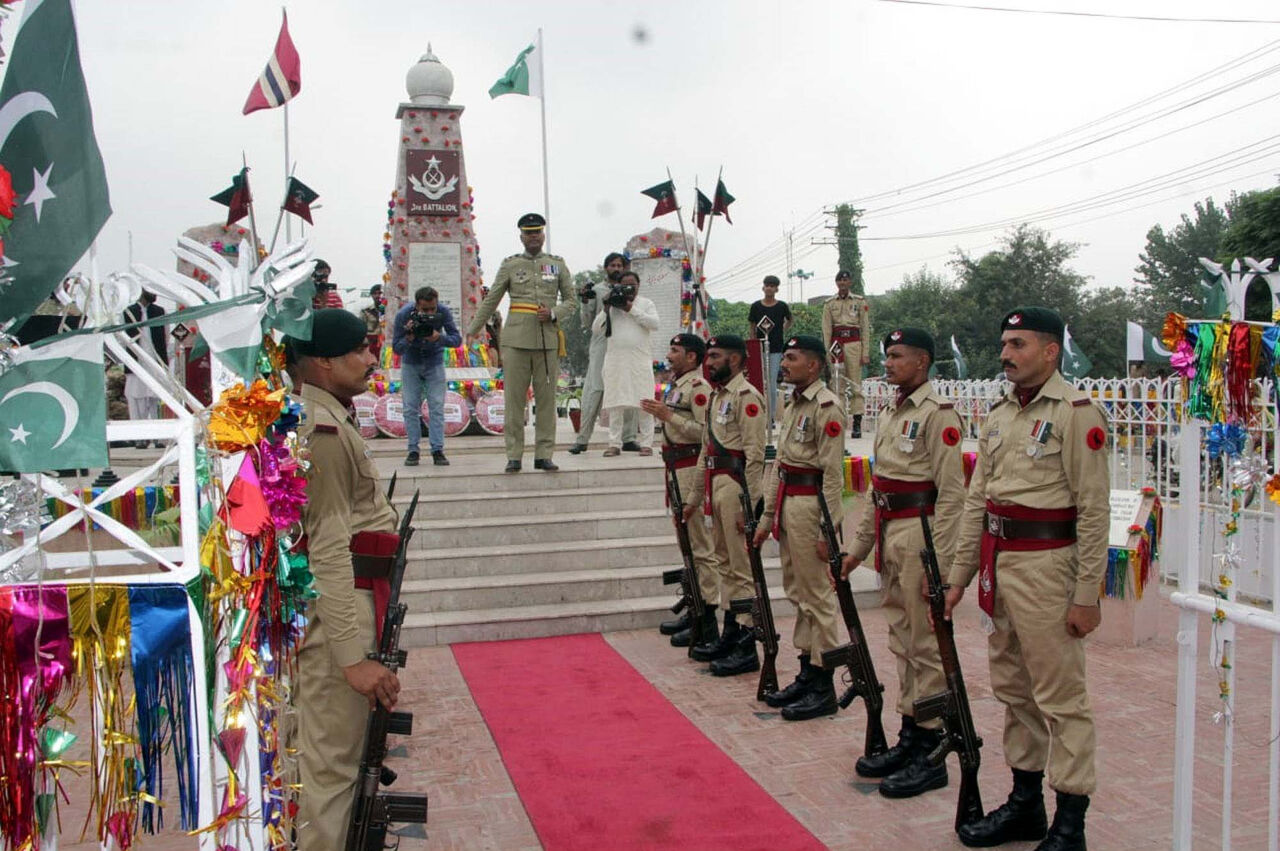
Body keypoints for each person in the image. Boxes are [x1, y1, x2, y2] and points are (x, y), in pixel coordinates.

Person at [944, 307, 1108, 851]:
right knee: (1015, 691)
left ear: (1050, 351)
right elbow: (977, 501)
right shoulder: (999, 414)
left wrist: (1087, 595)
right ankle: (1025, 804)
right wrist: (960, 575)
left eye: (1017, 344)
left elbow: (1093, 510)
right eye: (1003, 343)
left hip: (1048, 568)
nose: (1005, 354)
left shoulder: (1076, 413)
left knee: (1062, 699)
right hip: (1001, 564)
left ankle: (1070, 823)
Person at [289, 309, 402, 851]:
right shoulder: (325, 429)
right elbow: (329, 547)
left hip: (359, 594)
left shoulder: (329, 415)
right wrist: (352, 658)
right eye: (359, 350)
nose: (370, 359)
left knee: (335, 760)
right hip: (343, 601)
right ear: (320, 361)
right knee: (332, 769)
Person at [841, 327, 966, 795]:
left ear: (922, 362)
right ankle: (911, 731)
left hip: (921, 534)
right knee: (901, 637)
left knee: (925, 644)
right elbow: (880, 488)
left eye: (897, 356)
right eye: (887, 356)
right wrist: (859, 548)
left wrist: (946, 565)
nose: (888, 363)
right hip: (892, 532)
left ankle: (932, 746)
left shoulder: (939, 415)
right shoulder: (893, 412)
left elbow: (954, 494)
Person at [752, 335, 845, 721]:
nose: (784, 364)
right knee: (797, 592)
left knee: (817, 597)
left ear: (815, 366)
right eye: (784, 357)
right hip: (790, 502)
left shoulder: (828, 407)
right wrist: (766, 516)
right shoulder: (792, 404)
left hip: (810, 508)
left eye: (791, 358)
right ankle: (807, 671)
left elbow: (834, 476)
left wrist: (828, 529)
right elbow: (781, 466)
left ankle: (823, 682)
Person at [466, 213, 575, 472]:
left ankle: (544, 454)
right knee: (514, 401)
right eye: (528, 233)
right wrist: (473, 329)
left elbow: (571, 300)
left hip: (547, 339)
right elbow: (492, 298)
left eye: (537, 232)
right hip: (516, 340)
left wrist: (553, 313)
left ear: (543, 235)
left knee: (547, 401)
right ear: (521, 237)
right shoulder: (511, 265)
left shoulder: (557, 264)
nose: (533, 236)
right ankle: (514, 455)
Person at [685, 335, 766, 677]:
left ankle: (747, 642)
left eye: (716, 356)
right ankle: (731, 632)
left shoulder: (748, 398)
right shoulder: (718, 396)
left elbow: (755, 455)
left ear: (735, 360)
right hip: (716, 485)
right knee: (723, 561)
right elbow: (706, 450)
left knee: (740, 567)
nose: (709, 361)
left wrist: (750, 504)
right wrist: (691, 499)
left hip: (735, 487)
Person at [641, 334, 720, 646]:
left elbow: (705, 434)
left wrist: (667, 415)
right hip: (674, 468)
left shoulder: (699, 389)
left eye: (675, 350)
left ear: (691, 357)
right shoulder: (678, 385)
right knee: (687, 545)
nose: (669, 355)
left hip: (690, 469)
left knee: (700, 547)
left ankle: (708, 618)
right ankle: (695, 607)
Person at [571, 252, 638, 454]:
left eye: (620, 265)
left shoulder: (631, 290)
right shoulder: (598, 291)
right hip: (602, 344)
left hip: (625, 343)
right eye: (613, 265)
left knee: (628, 388)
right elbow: (586, 322)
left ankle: (628, 438)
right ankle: (582, 439)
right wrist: (585, 300)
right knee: (595, 390)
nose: (616, 269)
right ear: (605, 267)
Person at [393, 286, 461, 467]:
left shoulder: (443, 312)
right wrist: (409, 337)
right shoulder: (404, 314)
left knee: (437, 406)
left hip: (434, 361)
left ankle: (437, 449)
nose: (430, 313)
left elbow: (457, 340)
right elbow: (396, 348)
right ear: (416, 305)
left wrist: (439, 338)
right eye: (425, 310)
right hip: (411, 362)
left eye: (433, 309)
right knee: (409, 407)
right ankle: (413, 449)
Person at [594, 270, 659, 457]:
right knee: (615, 404)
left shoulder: (646, 304)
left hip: (639, 362)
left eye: (633, 285)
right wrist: (606, 308)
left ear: (639, 286)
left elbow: (654, 324)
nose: (629, 289)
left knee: (645, 403)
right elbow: (596, 330)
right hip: (616, 362)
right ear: (618, 286)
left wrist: (631, 309)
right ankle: (614, 444)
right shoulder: (612, 306)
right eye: (625, 286)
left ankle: (647, 443)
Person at [821, 269, 872, 437]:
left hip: (854, 345)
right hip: (836, 345)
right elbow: (826, 329)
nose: (842, 283)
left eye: (845, 281)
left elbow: (865, 328)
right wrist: (826, 351)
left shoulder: (859, 301)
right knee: (837, 385)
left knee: (856, 384)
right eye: (839, 281)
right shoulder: (829, 304)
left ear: (850, 282)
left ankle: (857, 424)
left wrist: (865, 352)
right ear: (836, 283)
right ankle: (839, 420)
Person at [122, 291, 168, 448]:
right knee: (136, 400)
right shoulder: (128, 311)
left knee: (155, 400)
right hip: (136, 363)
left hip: (154, 363)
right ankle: (139, 437)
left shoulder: (159, 312)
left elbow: (165, 336)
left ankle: (158, 436)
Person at [747, 275, 792, 422]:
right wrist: (752, 344)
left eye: (772, 286)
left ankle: (770, 417)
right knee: (758, 382)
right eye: (767, 285)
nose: (769, 288)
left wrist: (782, 330)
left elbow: (790, 320)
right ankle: (757, 414)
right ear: (763, 287)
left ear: (777, 289)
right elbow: (752, 327)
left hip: (775, 349)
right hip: (759, 349)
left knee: (772, 383)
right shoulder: (756, 306)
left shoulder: (782, 306)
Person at [362, 284, 384, 358]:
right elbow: (362, 329)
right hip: (372, 343)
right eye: (375, 293)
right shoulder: (366, 311)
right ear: (371, 295)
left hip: (386, 343)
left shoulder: (389, 310)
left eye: (380, 293)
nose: (378, 296)